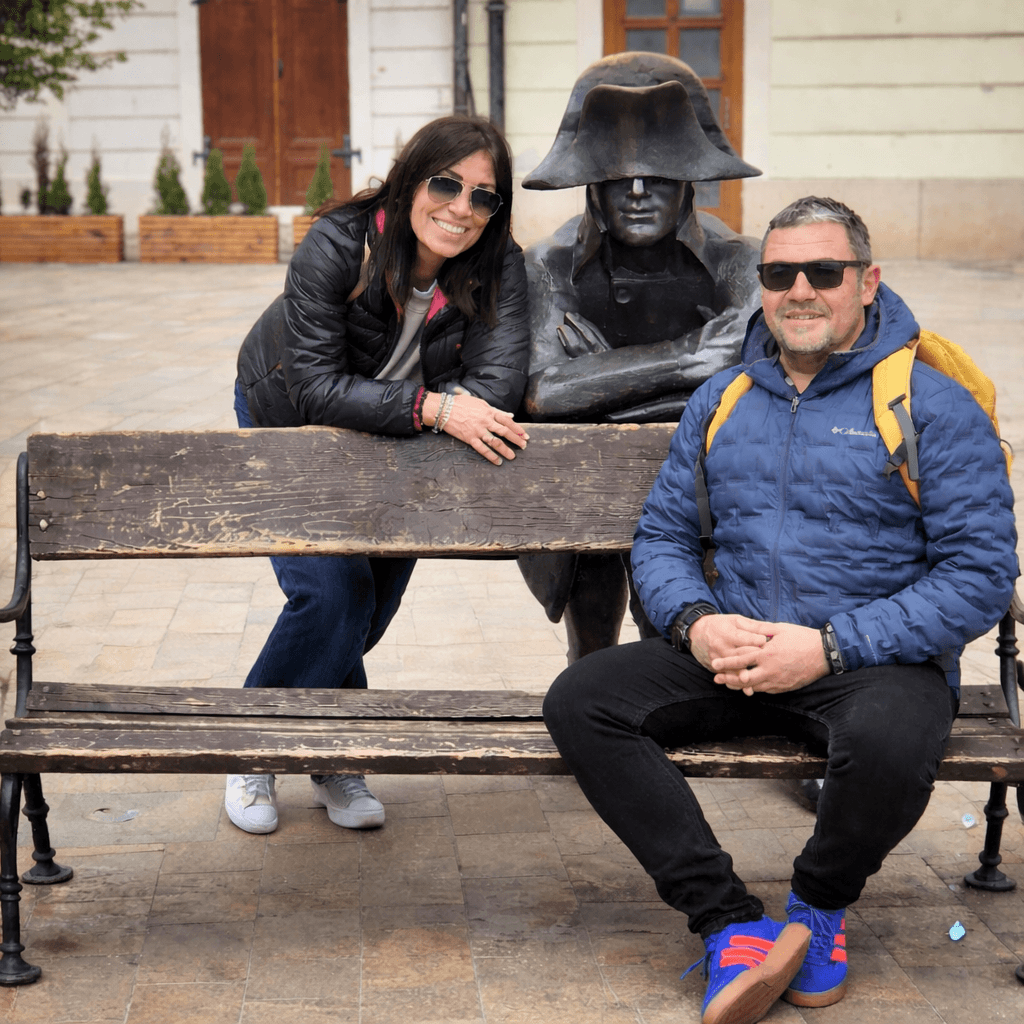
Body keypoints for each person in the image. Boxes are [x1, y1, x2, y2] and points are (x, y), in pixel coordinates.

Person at [542, 197, 1017, 1024]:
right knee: (583, 700)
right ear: (760, 288)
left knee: (892, 738)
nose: (800, 290)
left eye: (824, 272)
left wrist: (831, 647)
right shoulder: (724, 398)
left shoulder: (932, 406)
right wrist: (695, 622)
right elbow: (660, 535)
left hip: (873, 664)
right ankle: (729, 923)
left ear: (867, 283)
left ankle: (817, 910)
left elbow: (980, 574)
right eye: (778, 274)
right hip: (739, 649)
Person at [228, 116, 530, 835]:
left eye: (483, 197)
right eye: (447, 184)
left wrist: (439, 412)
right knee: (334, 590)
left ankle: (330, 753)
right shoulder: (337, 243)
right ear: (408, 180)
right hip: (292, 423)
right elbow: (314, 385)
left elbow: (499, 382)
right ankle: (252, 745)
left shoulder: (499, 263)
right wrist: (433, 405)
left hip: (409, 440)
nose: (462, 208)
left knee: (370, 605)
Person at [516, 53, 762, 662]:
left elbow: (754, 376)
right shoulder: (549, 264)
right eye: (616, 177)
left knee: (673, 629)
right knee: (592, 631)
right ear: (589, 183)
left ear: (689, 180)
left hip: (702, 490)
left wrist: (603, 384)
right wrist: (690, 361)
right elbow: (545, 394)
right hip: (583, 489)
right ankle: (591, 702)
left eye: (657, 176)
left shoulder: (740, 261)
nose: (635, 192)